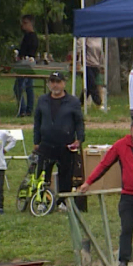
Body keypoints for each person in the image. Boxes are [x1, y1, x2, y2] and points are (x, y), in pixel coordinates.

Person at [78, 118, 133, 266]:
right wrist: (88, 182)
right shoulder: (121, 145)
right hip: (128, 195)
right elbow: (104, 164)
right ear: (130, 130)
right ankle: (123, 261)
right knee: (126, 228)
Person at [33, 71, 85, 203]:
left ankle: (63, 202)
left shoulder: (73, 102)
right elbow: (37, 121)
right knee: (43, 174)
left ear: (64, 83)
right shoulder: (42, 100)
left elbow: (79, 122)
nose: (55, 85)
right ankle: (42, 200)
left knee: (66, 175)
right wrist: (36, 141)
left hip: (65, 144)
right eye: (52, 82)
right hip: (46, 144)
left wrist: (79, 139)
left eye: (58, 82)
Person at [13, 15, 39, 117]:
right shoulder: (27, 36)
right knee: (28, 87)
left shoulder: (32, 37)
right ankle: (28, 109)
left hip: (27, 64)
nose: (22, 25)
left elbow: (30, 51)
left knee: (20, 87)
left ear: (30, 24)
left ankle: (23, 109)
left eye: (25, 23)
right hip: (26, 63)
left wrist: (22, 56)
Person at [75, 36, 104, 106]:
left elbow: (101, 52)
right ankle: (98, 103)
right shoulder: (84, 38)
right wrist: (78, 62)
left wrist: (102, 65)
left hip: (96, 64)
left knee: (88, 86)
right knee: (92, 84)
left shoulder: (99, 38)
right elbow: (78, 49)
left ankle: (79, 103)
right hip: (87, 65)